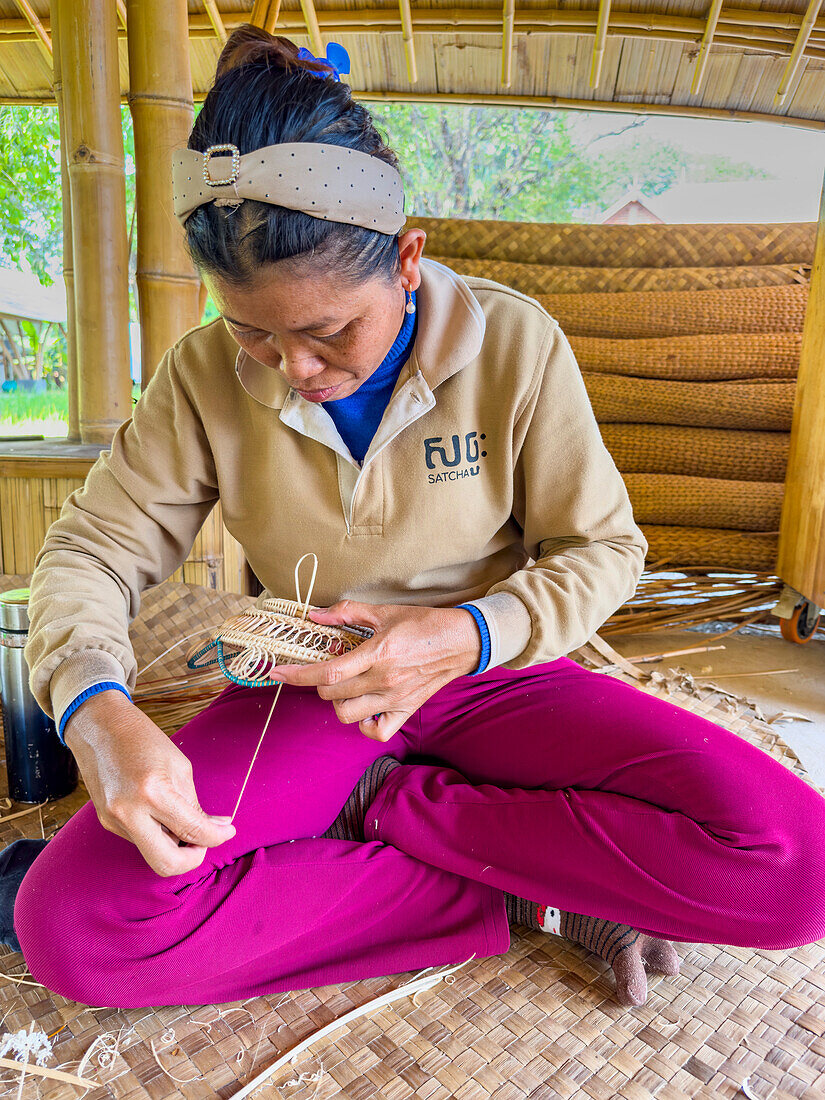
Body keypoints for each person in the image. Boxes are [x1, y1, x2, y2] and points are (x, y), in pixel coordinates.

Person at [8, 27, 825, 1012]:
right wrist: (92, 705)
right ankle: (526, 882)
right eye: (252, 332)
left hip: (495, 677)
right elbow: (94, 547)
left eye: (324, 332)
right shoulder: (201, 377)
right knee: (78, 925)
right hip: (314, 689)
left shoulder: (514, 341)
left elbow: (604, 548)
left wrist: (469, 631)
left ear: (405, 259)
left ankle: (389, 810)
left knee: (797, 863)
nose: (294, 372)